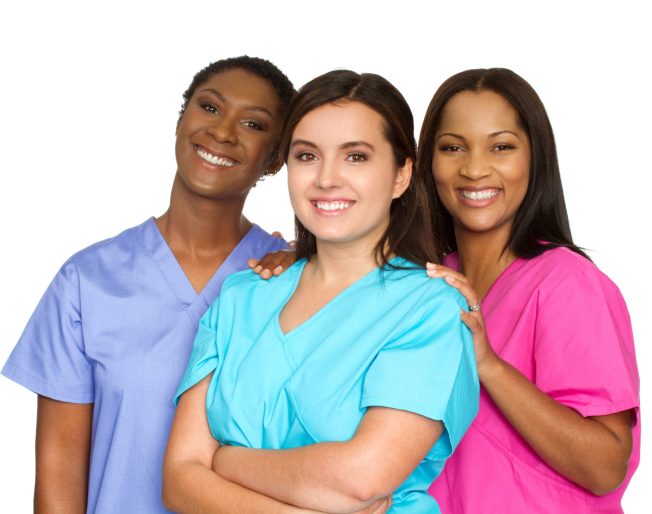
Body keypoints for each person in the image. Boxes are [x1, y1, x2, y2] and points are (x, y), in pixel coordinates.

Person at [163, 69, 479, 514]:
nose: (327, 179)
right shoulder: (241, 297)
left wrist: (225, 461)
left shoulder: (431, 309)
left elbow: (359, 481)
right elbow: (179, 481)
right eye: (307, 155)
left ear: (401, 175)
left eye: (356, 157)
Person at [1, 55, 295, 514]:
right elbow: (59, 477)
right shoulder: (87, 281)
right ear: (182, 119)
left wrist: (312, 259)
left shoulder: (289, 278)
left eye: (254, 124)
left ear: (276, 158)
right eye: (210, 107)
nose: (222, 132)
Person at [420, 68, 640, 513]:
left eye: (501, 146)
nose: (475, 168)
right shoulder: (425, 283)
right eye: (452, 147)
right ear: (426, 164)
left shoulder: (567, 284)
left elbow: (605, 467)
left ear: (534, 158)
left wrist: (490, 366)